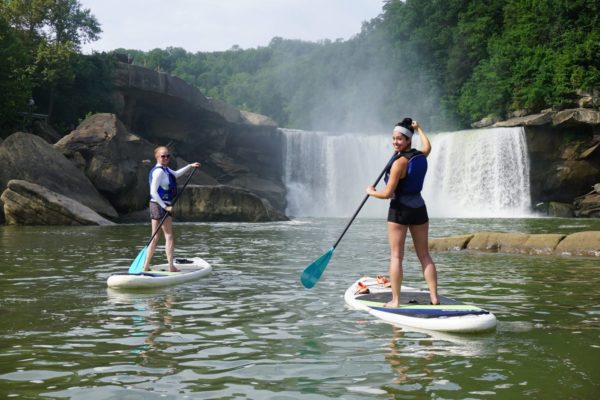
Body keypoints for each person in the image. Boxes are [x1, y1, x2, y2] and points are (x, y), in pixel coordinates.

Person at [366, 118, 439, 306]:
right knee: (424, 255)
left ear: (408, 140)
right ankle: (434, 297)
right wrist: (419, 128)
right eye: (393, 139)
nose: (395, 142)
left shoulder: (399, 163)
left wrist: (371, 193)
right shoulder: (420, 156)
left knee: (397, 256)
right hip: (419, 208)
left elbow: (388, 193)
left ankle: (395, 300)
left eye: (399, 139)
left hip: (400, 210)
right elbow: (428, 147)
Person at [143, 146, 201, 272]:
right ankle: (171, 267)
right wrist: (165, 207)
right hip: (160, 204)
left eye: (167, 156)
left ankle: (146, 266)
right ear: (157, 157)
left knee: (155, 236)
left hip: (155, 205)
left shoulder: (166, 170)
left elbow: (177, 174)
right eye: (163, 156)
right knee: (169, 236)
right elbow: (153, 191)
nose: (166, 158)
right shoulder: (158, 172)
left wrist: (190, 166)